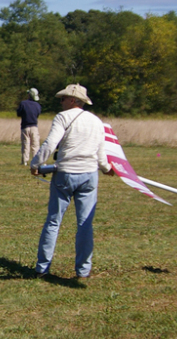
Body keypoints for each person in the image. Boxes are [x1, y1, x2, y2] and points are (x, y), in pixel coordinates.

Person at [30, 84, 114, 279]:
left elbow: (50, 143)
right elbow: (101, 152)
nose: (61, 102)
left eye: (63, 99)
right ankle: (83, 270)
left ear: (73, 100)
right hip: (89, 175)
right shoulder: (96, 121)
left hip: (65, 174)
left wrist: (36, 163)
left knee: (53, 221)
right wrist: (107, 168)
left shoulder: (62, 117)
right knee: (85, 224)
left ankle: (42, 268)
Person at [17, 88, 42, 166]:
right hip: (34, 126)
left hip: (25, 127)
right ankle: (35, 161)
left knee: (26, 144)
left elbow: (18, 113)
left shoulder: (23, 103)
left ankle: (25, 161)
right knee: (35, 145)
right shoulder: (38, 105)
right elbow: (38, 114)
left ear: (29, 95)